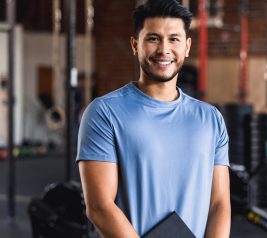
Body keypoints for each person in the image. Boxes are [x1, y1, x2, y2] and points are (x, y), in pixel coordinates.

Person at [76, 0, 231, 237]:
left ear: (187, 46)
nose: (164, 49)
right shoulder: (104, 113)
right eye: (153, 38)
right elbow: (99, 207)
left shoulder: (211, 119)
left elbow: (219, 204)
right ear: (135, 44)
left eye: (174, 39)